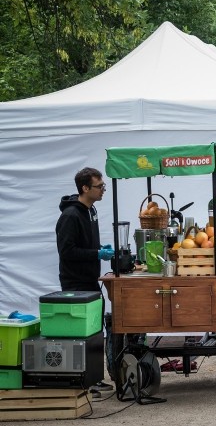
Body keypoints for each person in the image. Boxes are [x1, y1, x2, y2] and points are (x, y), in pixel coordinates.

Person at [55, 167, 114, 395]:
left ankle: (94, 379)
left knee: (95, 331)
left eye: (103, 186)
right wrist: (96, 254)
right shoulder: (70, 216)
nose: (103, 191)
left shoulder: (92, 210)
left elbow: (86, 244)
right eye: (99, 187)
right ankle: (81, 382)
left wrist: (99, 249)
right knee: (81, 334)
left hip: (91, 279)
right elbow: (67, 251)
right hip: (75, 283)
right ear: (85, 188)